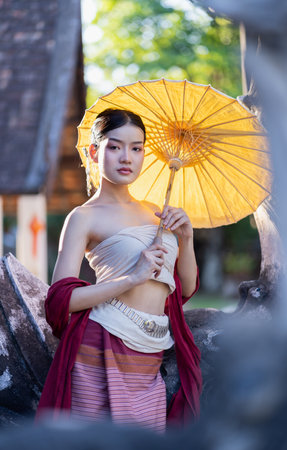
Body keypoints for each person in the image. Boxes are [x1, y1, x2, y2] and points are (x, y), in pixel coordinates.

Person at [36, 108, 202, 432]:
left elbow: (185, 286)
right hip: (99, 347)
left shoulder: (159, 213)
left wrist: (186, 238)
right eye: (115, 146)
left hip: (151, 353)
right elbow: (60, 300)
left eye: (137, 148)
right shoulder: (83, 217)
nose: (127, 157)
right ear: (95, 153)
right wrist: (134, 277)